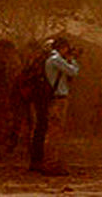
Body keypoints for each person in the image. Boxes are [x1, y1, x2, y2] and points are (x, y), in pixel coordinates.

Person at [30, 37, 81, 175]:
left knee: (54, 131)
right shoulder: (55, 60)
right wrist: (73, 60)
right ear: (62, 47)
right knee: (54, 133)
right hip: (58, 99)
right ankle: (50, 164)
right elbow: (73, 71)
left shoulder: (52, 59)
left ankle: (50, 162)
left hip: (56, 98)